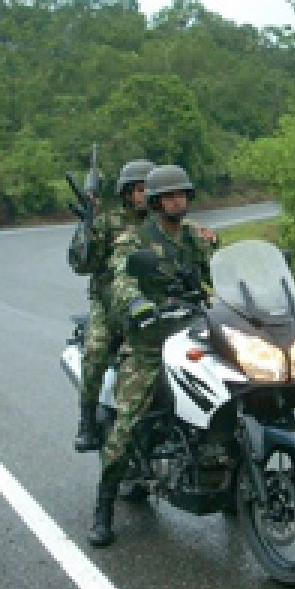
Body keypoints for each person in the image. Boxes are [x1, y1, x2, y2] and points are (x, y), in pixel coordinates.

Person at [88, 164, 218, 547]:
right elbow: (121, 278)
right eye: (169, 196)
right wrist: (137, 303)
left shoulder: (195, 236)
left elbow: (222, 270)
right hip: (149, 342)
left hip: (195, 334)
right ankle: (105, 504)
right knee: (126, 423)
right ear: (157, 202)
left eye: (183, 194)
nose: (178, 201)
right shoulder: (134, 239)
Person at [68, 158, 155, 453]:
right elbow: (81, 264)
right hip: (109, 302)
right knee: (96, 349)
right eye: (140, 189)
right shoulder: (108, 220)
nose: (146, 195)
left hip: (155, 301)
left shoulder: (164, 222)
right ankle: (87, 420)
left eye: (150, 189)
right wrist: (86, 226)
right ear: (127, 193)